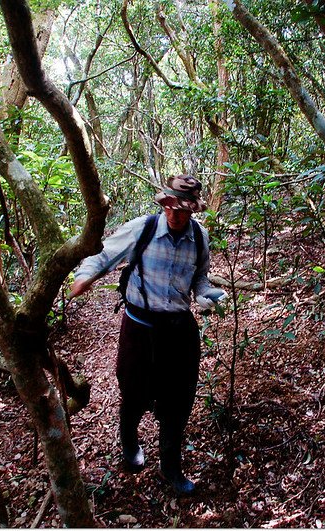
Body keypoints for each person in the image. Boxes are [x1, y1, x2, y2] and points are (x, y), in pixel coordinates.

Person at [70, 174, 226, 495]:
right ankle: (129, 441)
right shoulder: (142, 229)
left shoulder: (199, 237)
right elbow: (103, 254)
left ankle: (171, 465)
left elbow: (200, 279)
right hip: (139, 327)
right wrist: (85, 276)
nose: (174, 214)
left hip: (179, 331)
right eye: (169, 206)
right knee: (134, 391)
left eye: (182, 210)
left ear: (193, 210)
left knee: (178, 400)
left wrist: (207, 295)